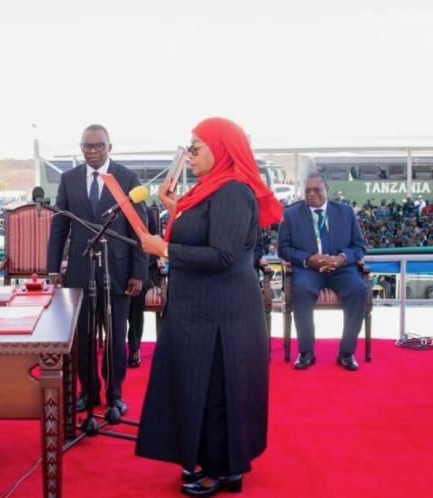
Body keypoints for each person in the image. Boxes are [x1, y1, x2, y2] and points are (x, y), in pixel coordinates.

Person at [136, 117, 281, 496]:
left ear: (222, 149)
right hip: (199, 308)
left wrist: (163, 248)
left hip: (223, 312)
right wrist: (174, 208)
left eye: (197, 147)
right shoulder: (208, 191)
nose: (190, 154)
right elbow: (200, 234)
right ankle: (207, 459)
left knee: (218, 389)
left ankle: (225, 471)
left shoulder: (234, 191)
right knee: (200, 386)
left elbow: (222, 254)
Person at [46, 124, 147, 422]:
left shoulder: (127, 178)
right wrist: (53, 268)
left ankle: (115, 396)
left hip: (118, 272)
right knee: (84, 338)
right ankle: (87, 392)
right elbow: (60, 226)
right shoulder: (69, 179)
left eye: (98, 146)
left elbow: (139, 228)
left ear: (109, 147)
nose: (92, 151)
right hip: (79, 270)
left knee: (116, 338)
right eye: (87, 147)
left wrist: (139, 272)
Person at [277, 171, 367, 371]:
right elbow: (283, 249)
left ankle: (346, 352)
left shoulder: (346, 212)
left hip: (341, 269)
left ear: (327, 190)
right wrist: (309, 259)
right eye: (307, 190)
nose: (311, 194)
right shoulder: (291, 214)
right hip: (309, 269)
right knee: (300, 289)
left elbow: (359, 247)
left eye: (317, 190)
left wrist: (341, 258)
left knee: (358, 290)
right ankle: (306, 351)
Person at [127, 203, 161, 368]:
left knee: (137, 293)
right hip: (120, 271)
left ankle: (134, 348)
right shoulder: (112, 213)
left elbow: (155, 249)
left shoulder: (146, 213)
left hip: (145, 272)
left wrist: (138, 272)